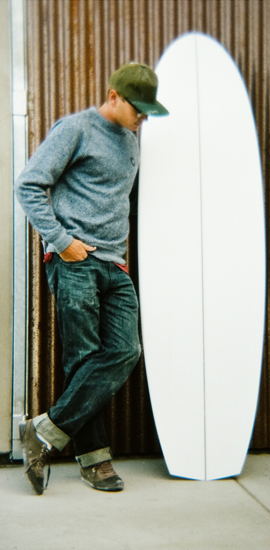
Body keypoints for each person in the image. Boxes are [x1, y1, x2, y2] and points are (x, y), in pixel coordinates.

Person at [14, 63, 169, 494]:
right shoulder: (76, 129)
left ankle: (44, 430)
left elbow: (124, 202)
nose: (142, 117)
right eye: (137, 108)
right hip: (75, 259)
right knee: (83, 358)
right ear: (114, 95)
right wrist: (62, 242)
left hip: (114, 264)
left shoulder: (132, 143)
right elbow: (29, 185)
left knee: (124, 350)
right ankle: (96, 461)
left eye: (147, 111)